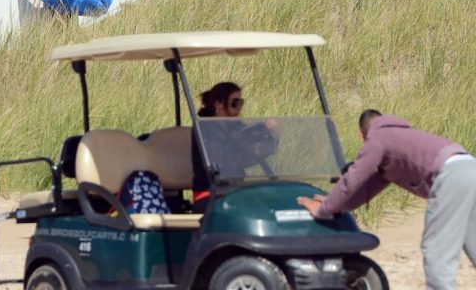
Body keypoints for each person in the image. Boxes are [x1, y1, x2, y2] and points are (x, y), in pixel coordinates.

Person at [297, 110, 476, 290]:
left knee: (437, 250)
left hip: (450, 176)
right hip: (469, 166)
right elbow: (365, 188)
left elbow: (353, 177)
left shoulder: (377, 139)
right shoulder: (399, 137)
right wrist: (336, 205)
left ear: (362, 135)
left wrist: (322, 210)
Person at [191, 83, 278, 211]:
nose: (239, 108)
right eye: (235, 103)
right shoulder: (203, 129)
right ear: (218, 104)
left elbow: (251, 150)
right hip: (210, 192)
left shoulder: (237, 127)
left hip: (235, 190)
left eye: (240, 103)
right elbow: (225, 156)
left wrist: (271, 134)